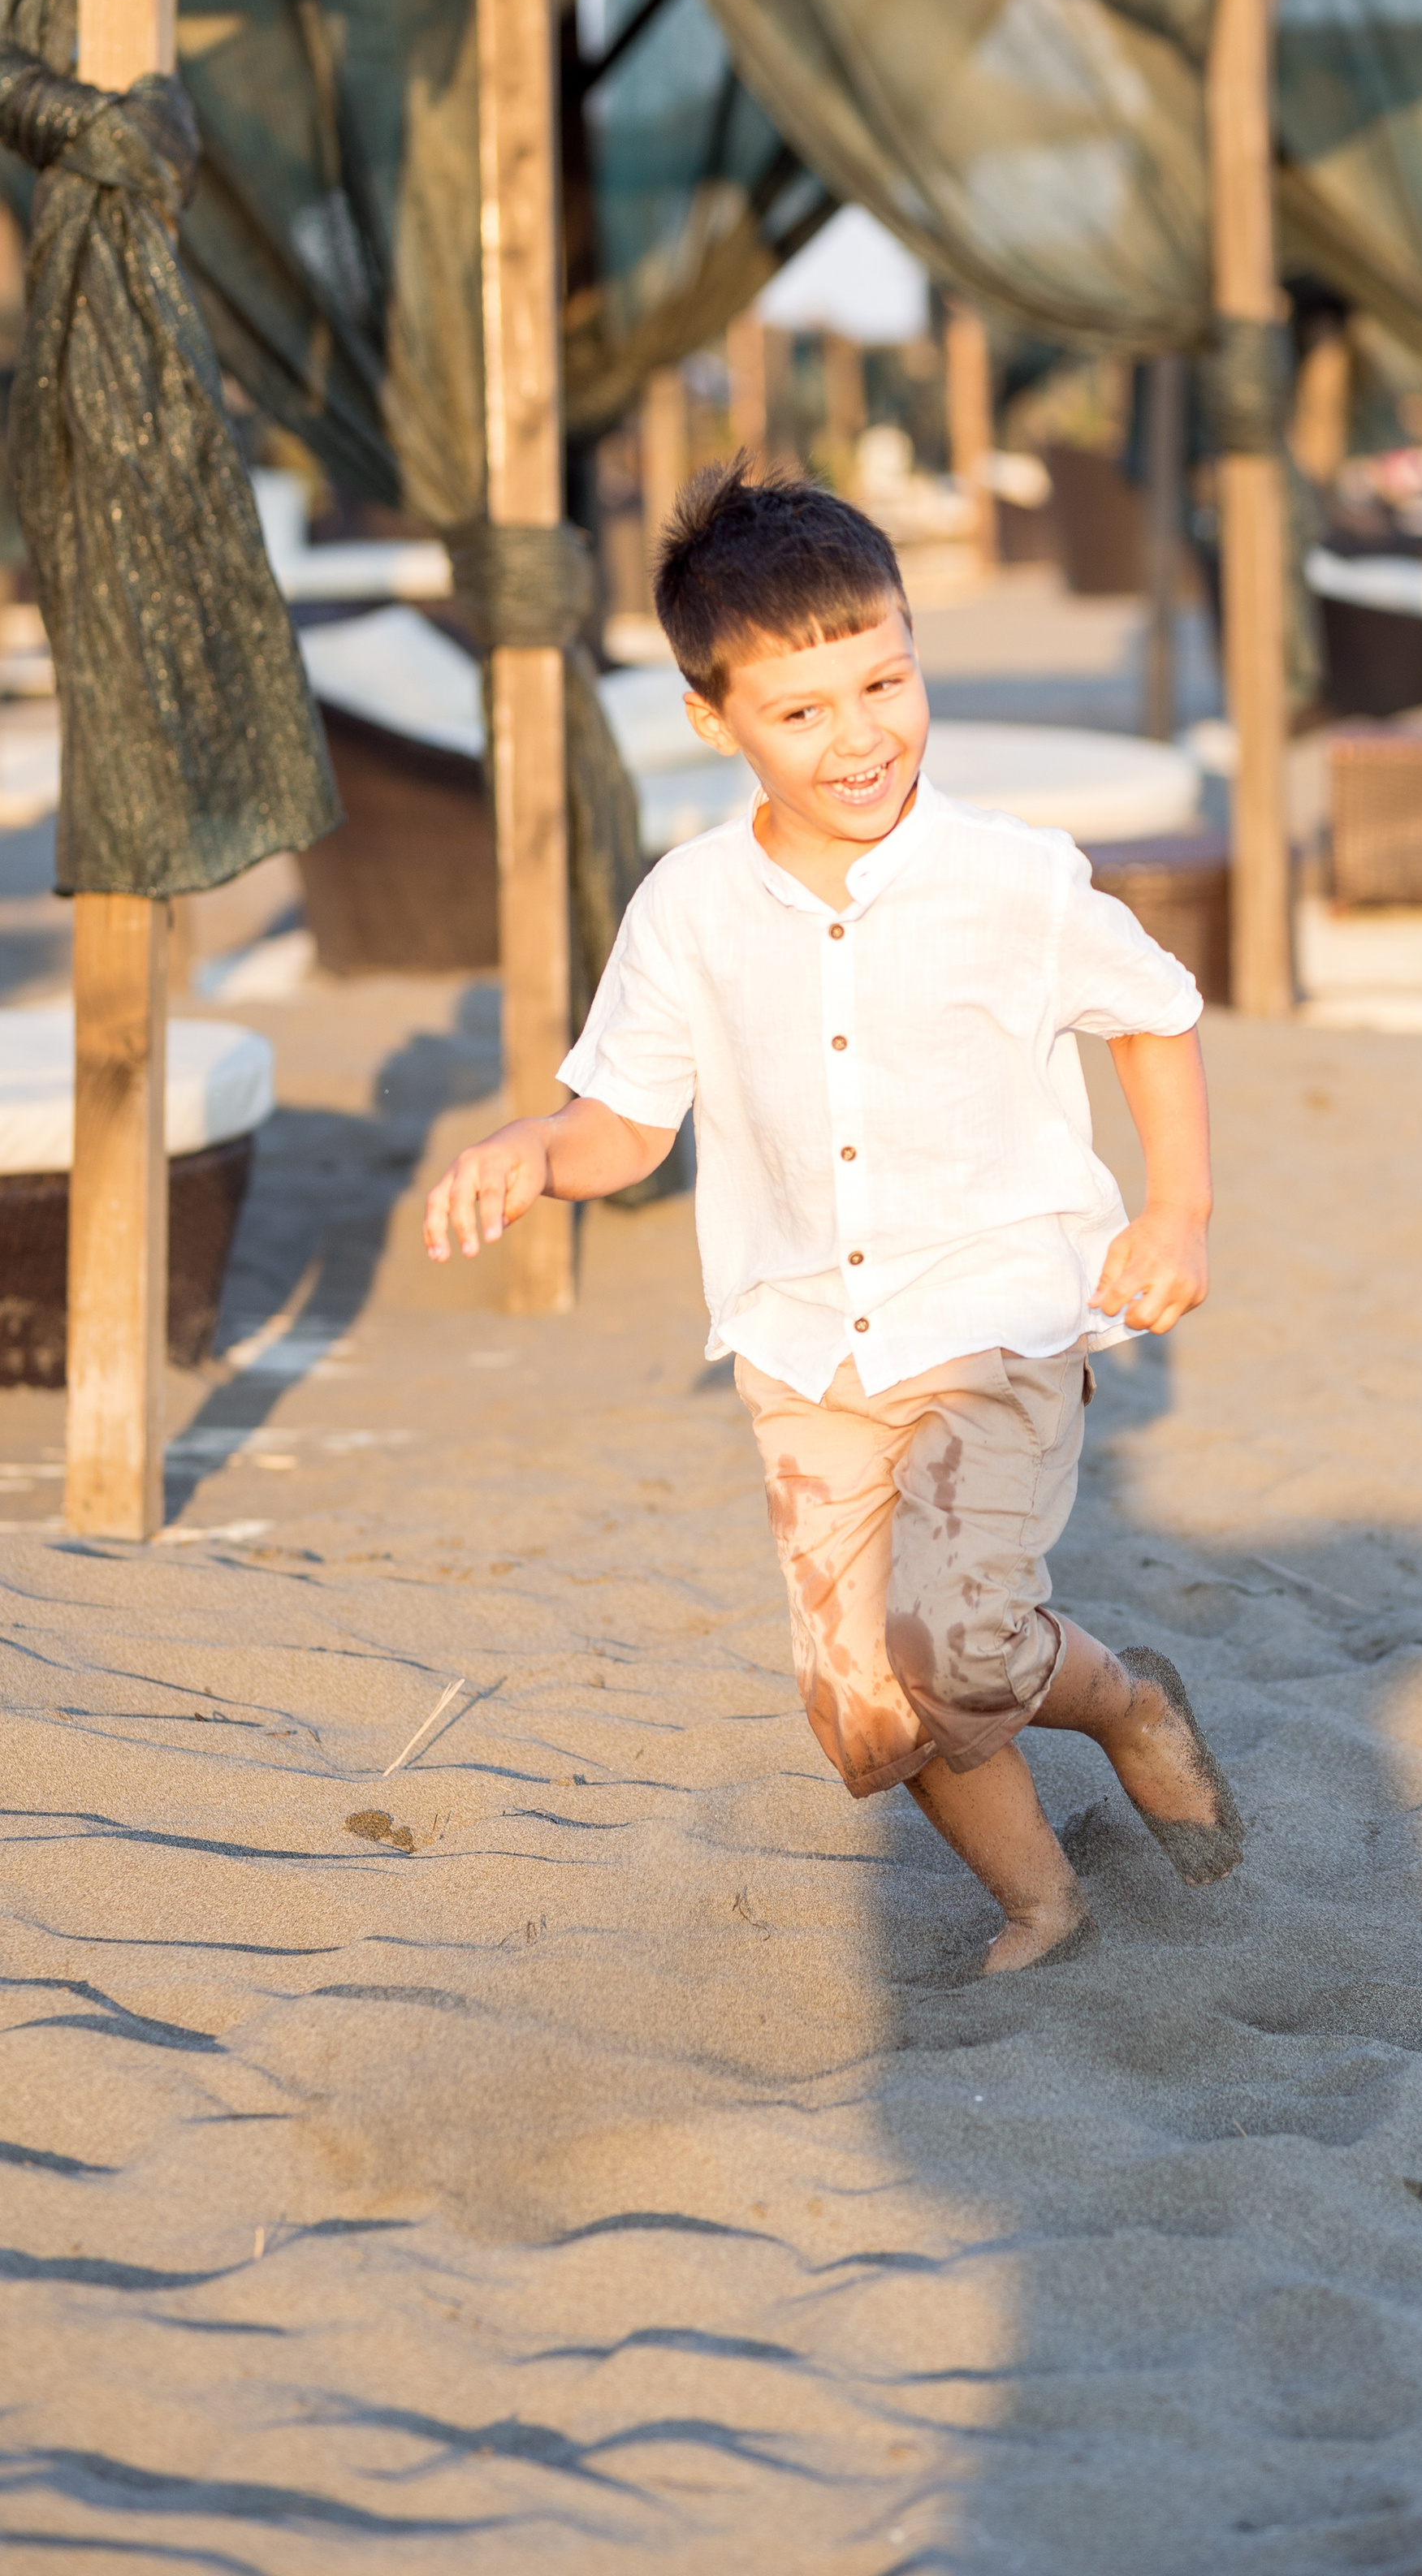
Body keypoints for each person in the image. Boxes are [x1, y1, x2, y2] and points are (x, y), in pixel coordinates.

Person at [423, 453, 1242, 1974]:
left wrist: (1178, 1211)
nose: (862, 738)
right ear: (713, 720)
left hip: (997, 1316)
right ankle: (1043, 1904)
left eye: (887, 682)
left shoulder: (1013, 877)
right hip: (805, 1348)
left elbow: (1156, 1011)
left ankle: (1128, 1701)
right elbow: (624, 1126)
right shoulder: (687, 907)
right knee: (866, 1703)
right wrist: (535, 1149)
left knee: (959, 1651)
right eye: (804, 712)